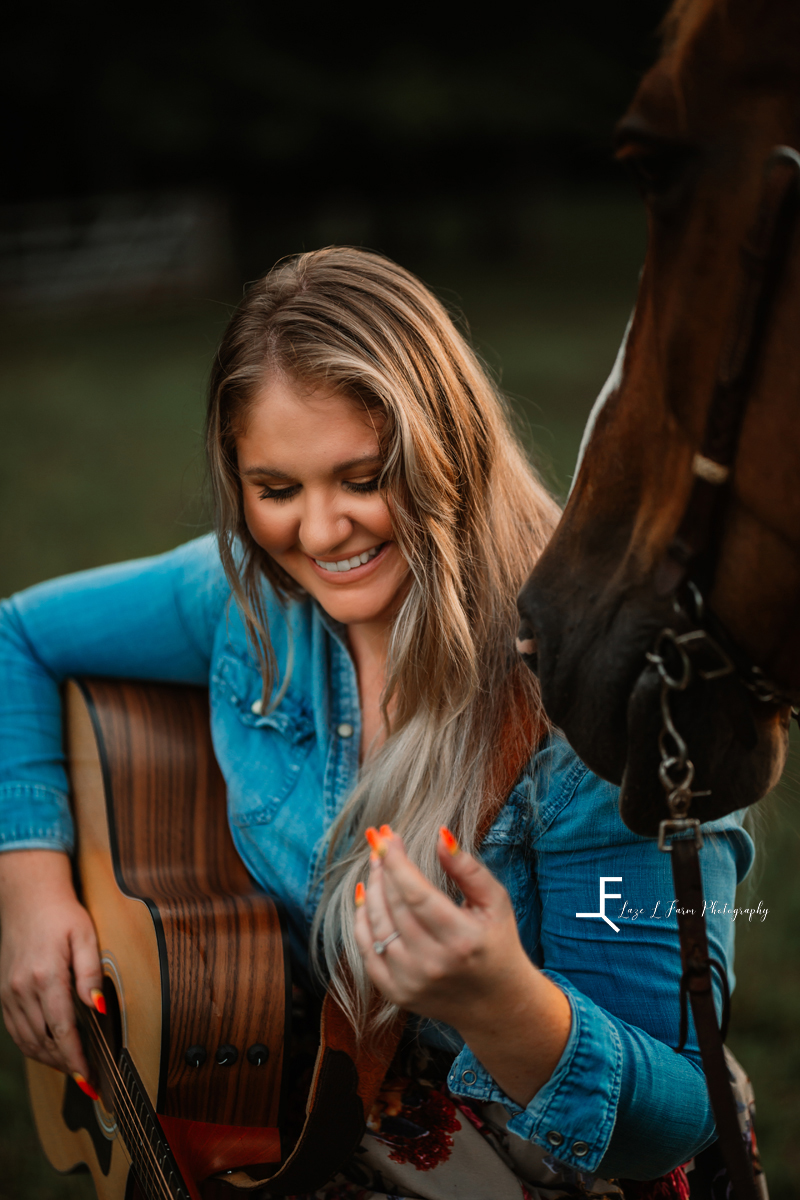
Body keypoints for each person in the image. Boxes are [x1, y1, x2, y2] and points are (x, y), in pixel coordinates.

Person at [0, 248, 755, 1196]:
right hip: (309, 1126)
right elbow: (17, 635)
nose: (318, 534)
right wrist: (29, 888)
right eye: (276, 490)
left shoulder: (598, 717)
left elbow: (676, 1123)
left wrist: (502, 1002)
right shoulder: (254, 603)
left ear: (451, 450)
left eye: (363, 479)